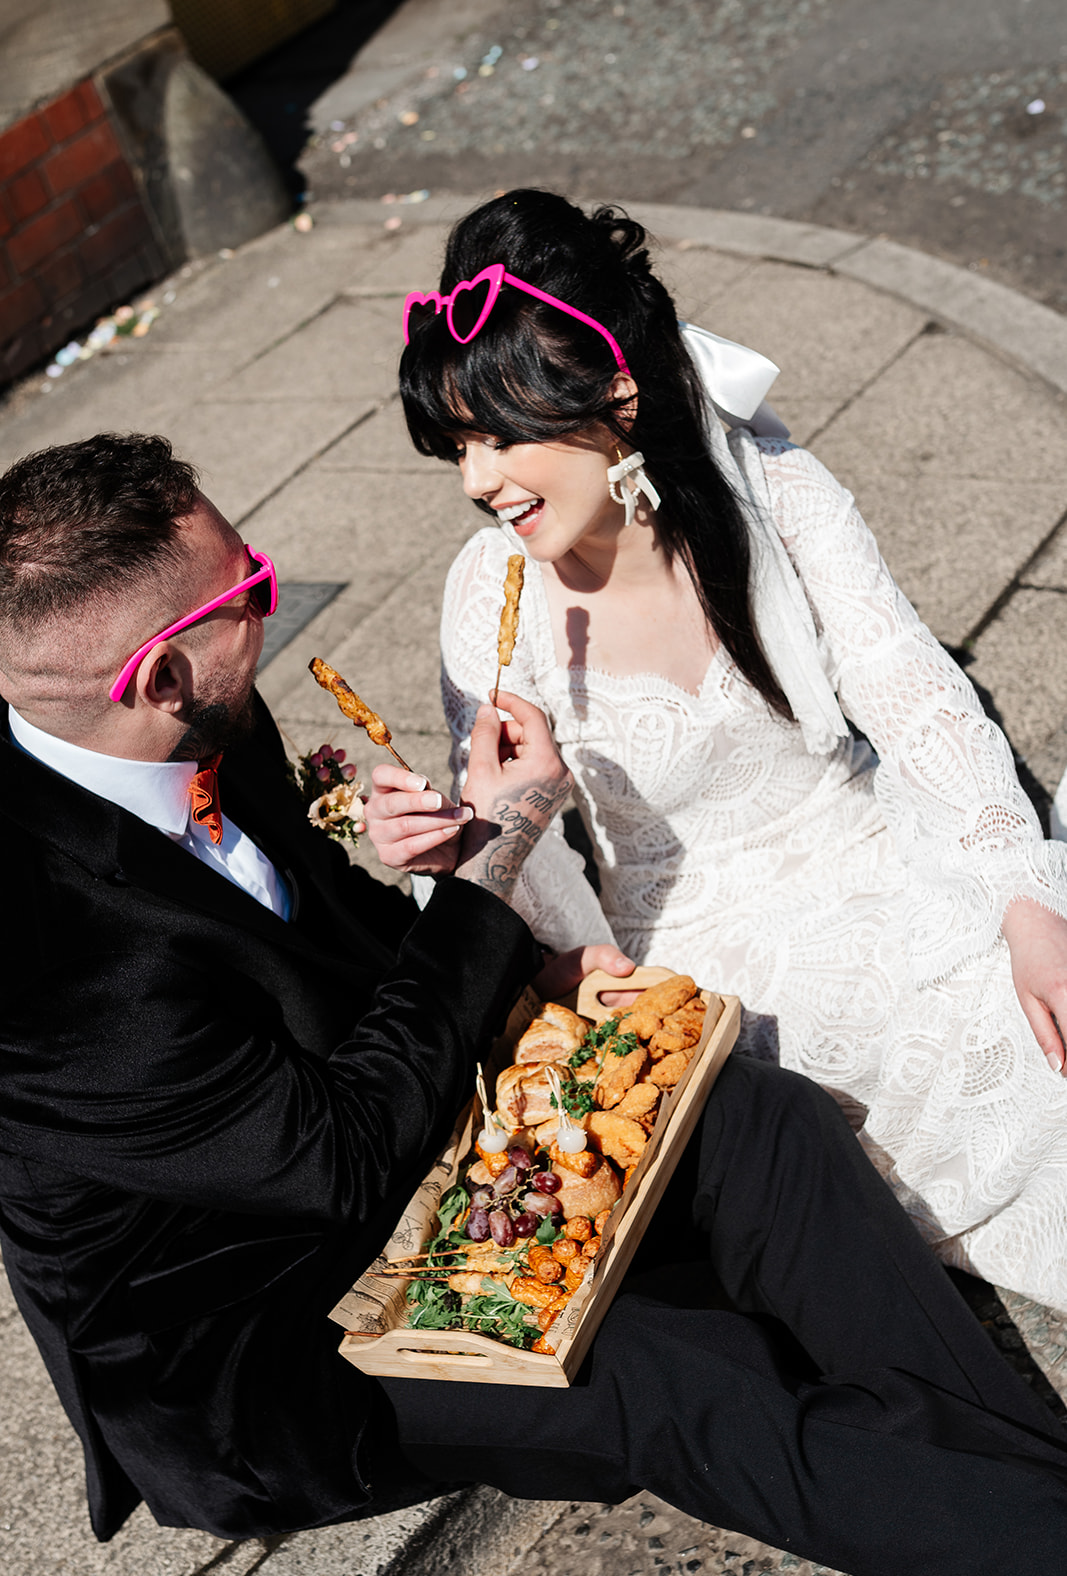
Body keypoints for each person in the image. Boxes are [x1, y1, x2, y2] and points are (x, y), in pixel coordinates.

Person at [7, 437, 1067, 1576]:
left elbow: (312, 940)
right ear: (157, 677)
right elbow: (342, 1158)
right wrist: (495, 863)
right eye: (250, 588)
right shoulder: (42, 959)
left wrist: (454, 887)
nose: (268, 584)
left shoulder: (193, 711)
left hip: (406, 1143)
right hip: (258, 1327)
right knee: (668, 1372)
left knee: (754, 1112)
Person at [377, 188, 1067, 1315]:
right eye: (458, 444)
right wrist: (491, 830)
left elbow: (908, 690)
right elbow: (557, 934)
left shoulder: (768, 486)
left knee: (1030, 1013)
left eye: (503, 434)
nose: (477, 479)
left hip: (874, 847)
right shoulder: (488, 595)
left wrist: (1022, 899)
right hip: (707, 950)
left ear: (614, 391)